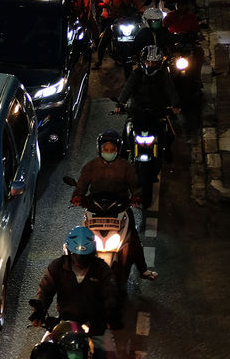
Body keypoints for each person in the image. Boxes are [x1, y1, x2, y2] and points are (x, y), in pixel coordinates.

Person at [71, 130, 157, 280]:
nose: (109, 152)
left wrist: (136, 197)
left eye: (112, 150)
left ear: (118, 150)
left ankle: (142, 269)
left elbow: (135, 186)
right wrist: (77, 196)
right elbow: (81, 185)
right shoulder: (91, 166)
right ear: (100, 149)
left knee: (134, 239)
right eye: (106, 149)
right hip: (94, 207)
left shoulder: (126, 167)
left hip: (120, 207)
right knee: (81, 238)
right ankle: (77, 268)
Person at [29, 227, 121, 359]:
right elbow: (45, 289)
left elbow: (110, 292)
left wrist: (112, 312)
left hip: (95, 327)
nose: (79, 260)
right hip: (64, 323)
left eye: (84, 256)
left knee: (110, 355)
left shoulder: (102, 269)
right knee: (41, 353)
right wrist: (40, 308)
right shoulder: (57, 266)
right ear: (69, 252)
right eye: (75, 255)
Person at [95, 0, 144, 68]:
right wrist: (105, 9)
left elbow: (138, 4)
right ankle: (99, 61)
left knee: (140, 35)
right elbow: (106, 2)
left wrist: (142, 11)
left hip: (127, 18)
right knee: (104, 40)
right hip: (113, 17)